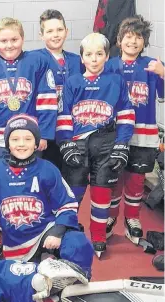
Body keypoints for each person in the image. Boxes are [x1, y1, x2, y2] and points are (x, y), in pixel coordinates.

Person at [0, 17, 58, 256]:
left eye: (14, 39)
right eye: (3, 40)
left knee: (26, 187)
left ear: (23, 39)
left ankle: (28, 229)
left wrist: (44, 134)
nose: (9, 45)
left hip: (27, 140)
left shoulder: (37, 61)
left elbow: (47, 100)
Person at [0, 114, 93, 276]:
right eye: (15, 139)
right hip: (16, 241)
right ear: (7, 144)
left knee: (77, 243)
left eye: (28, 139)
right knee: (21, 285)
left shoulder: (47, 169)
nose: (21, 144)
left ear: (36, 143)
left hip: (46, 231)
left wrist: (57, 232)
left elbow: (67, 204)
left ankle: (78, 282)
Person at [56, 33, 135, 257]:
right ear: (82, 58)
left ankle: (99, 234)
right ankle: (68, 232)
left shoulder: (116, 81)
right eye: (88, 54)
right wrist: (66, 144)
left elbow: (127, 115)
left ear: (107, 56)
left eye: (99, 54)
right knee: (74, 192)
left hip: (106, 142)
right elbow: (64, 116)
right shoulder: (72, 82)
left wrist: (121, 145)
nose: (94, 59)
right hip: (79, 144)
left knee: (102, 192)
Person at [105, 15, 164, 244]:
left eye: (138, 37)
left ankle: (132, 218)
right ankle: (110, 217)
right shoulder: (109, 65)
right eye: (128, 36)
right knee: (113, 179)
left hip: (143, 135)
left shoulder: (152, 65)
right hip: (114, 134)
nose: (133, 41)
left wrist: (163, 73)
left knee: (136, 180)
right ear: (119, 40)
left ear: (144, 41)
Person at [33, 9, 84, 170]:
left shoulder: (78, 61)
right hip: (46, 132)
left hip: (71, 130)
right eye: (49, 31)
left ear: (66, 31)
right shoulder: (34, 59)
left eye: (59, 30)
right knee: (46, 175)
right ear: (41, 35)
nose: (55, 35)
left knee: (71, 177)